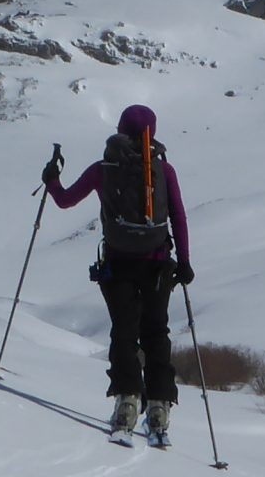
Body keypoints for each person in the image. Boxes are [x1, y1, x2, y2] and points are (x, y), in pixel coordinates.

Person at [44, 105, 194, 443]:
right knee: (157, 332)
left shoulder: (104, 169)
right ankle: (158, 409)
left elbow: (66, 200)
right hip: (158, 264)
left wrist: (51, 180)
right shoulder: (164, 171)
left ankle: (127, 402)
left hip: (118, 265)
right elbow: (179, 218)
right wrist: (183, 262)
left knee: (124, 333)